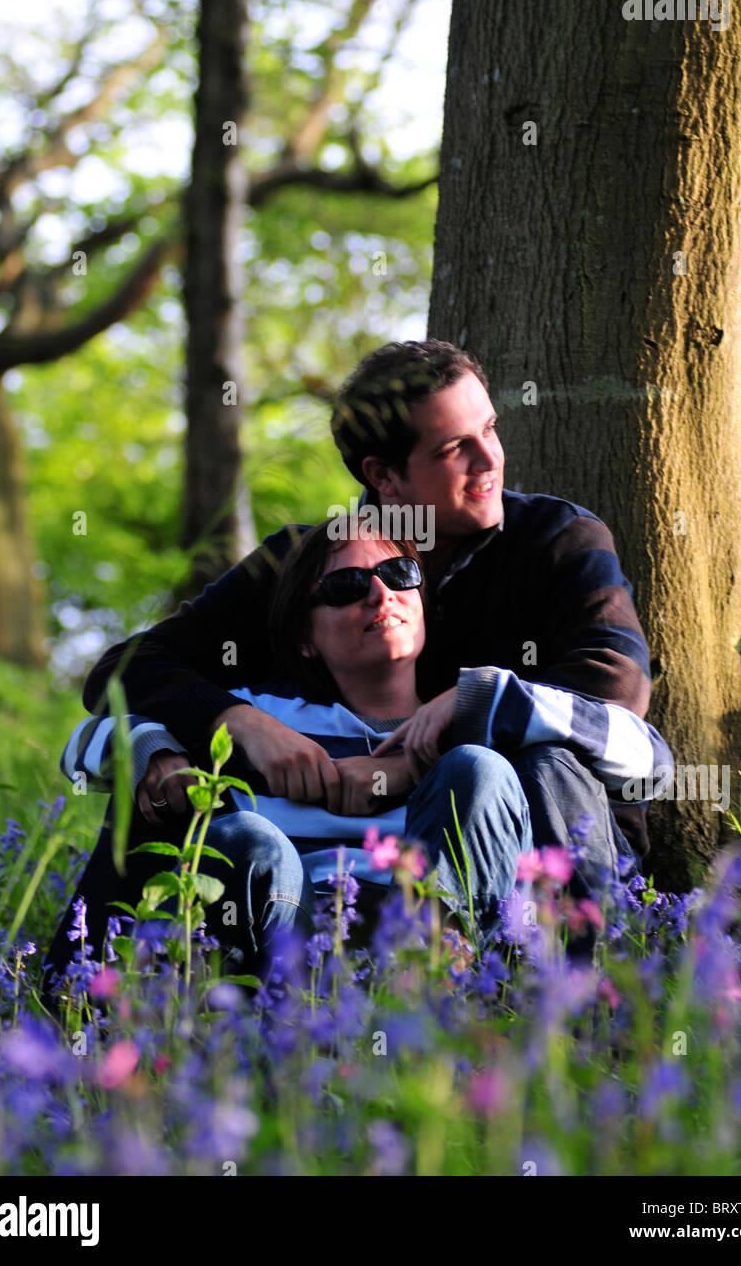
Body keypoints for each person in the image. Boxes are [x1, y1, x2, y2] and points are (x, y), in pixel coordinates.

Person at [73, 340, 654, 934]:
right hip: (322, 864)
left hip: (530, 841)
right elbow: (124, 670)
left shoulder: (556, 541)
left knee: (539, 760)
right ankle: (92, 993)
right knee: (159, 771)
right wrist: (236, 722)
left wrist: (457, 717)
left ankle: (572, 989)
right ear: (383, 475)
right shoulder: (304, 568)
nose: (490, 460)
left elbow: (615, 685)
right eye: (456, 448)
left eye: (491, 429)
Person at [45, 525, 673, 983]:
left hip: (438, 928)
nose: (380, 595)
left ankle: (439, 976)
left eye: (399, 576)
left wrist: (480, 699)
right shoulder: (266, 719)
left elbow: (650, 760)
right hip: (287, 929)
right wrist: (155, 751)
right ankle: (225, 1006)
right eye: (346, 587)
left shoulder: (486, 717)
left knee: (476, 771)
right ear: (305, 639)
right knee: (248, 839)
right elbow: (83, 748)